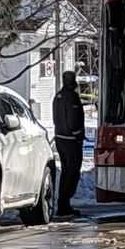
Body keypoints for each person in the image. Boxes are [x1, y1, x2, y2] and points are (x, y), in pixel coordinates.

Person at [52, 70, 85, 217]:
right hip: (71, 140)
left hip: (60, 137)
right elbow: (73, 119)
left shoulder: (58, 96)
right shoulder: (72, 97)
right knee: (73, 172)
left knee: (66, 171)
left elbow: (55, 118)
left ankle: (63, 203)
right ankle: (64, 204)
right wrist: (77, 134)